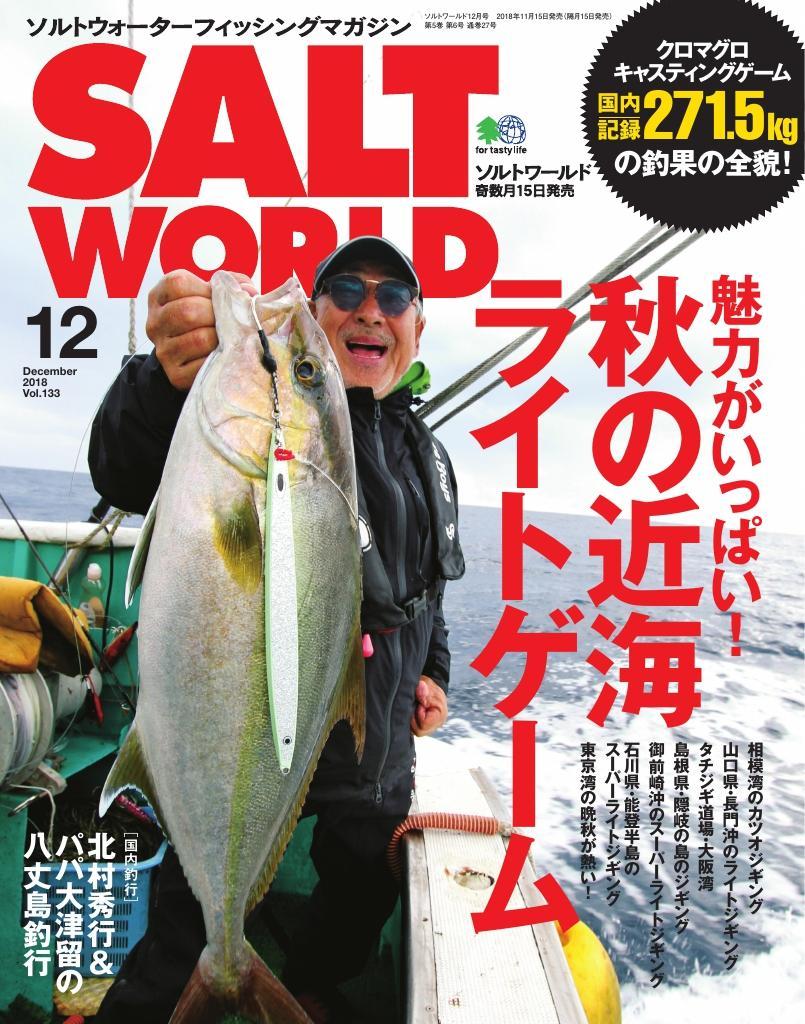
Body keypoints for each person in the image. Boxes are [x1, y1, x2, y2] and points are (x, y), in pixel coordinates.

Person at [88, 236, 464, 1024]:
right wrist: (163, 380)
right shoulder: (277, 417)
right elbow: (123, 467)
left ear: (417, 327)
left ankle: (311, 987)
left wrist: (434, 671)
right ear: (321, 319)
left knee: (355, 901)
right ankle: (182, 984)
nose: (371, 310)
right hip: (253, 739)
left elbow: (429, 588)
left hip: (377, 753)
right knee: (182, 932)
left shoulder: (425, 454)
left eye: (394, 296)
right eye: (347, 292)